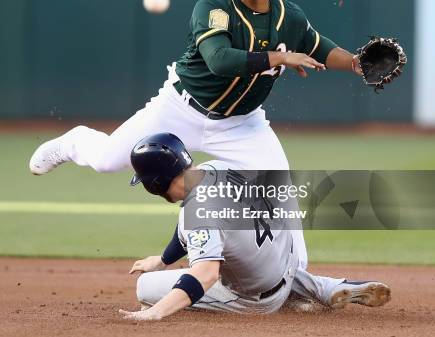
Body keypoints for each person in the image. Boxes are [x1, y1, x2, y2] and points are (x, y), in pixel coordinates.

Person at [29, 0, 363, 270]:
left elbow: (318, 47)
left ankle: (298, 277)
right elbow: (219, 60)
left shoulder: (289, 16)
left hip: (241, 124)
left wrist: (354, 63)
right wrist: (281, 56)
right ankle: (74, 142)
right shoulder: (214, 7)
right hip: (179, 109)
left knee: (281, 193)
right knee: (107, 160)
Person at [119, 133, 390, 321]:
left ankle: (288, 300)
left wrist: (156, 311)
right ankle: (322, 288)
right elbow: (192, 233)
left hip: (256, 299)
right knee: (237, 247)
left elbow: (206, 274)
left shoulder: (196, 213)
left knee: (146, 288)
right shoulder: (216, 167)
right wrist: (164, 259)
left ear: (154, 184)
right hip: (286, 256)